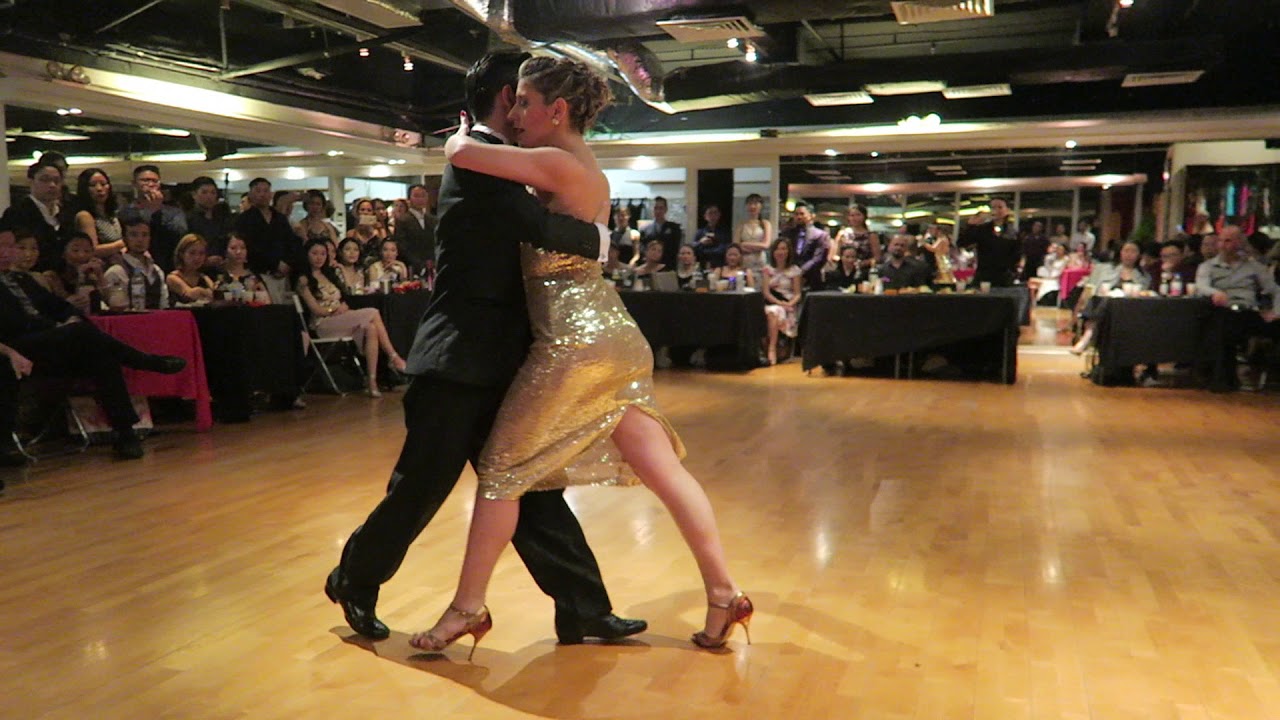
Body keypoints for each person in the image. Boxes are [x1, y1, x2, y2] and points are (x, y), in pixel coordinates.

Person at [409, 55, 749, 656]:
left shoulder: (556, 163)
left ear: (557, 110)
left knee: (501, 472)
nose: (515, 114)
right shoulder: (578, 166)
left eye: (524, 102)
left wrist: (461, 132)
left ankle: (467, 608)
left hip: (575, 345)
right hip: (610, 336)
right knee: (665, 472)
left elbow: (461, 156)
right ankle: (724, 594)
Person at [325, 51, 647, 647]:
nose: (524, 107)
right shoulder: (477, 158)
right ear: (506, 97)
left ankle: (584, 608)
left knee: (533, 486)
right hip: (457, 359)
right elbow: (540, 228)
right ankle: (355, 577)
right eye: (520, 96)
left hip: (502, 358)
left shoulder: (498, 156)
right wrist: (601, 240)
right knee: (422, 486)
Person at [0, 222, 186, 463]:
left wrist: (68, 318)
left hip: (51, 344)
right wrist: (59, 326)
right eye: (3, 246)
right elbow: (13, 323)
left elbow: (59, 306)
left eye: (10, 246)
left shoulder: (22, 280)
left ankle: (125, 433)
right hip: (15, 348)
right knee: (82, 333)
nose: (8, 252)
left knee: (100, 354)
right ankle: (144, 361)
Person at [294, 239, 405, 398]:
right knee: (373, 312)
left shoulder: (329, 274)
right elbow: (315, 309)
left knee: (371, 328)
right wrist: (333, 310)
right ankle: (393, 357)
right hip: (322, 323)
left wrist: (342, 306)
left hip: (340, 317)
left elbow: (345, 294)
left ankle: (372, 381)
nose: (319, 257)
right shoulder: (303, 280)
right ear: (306, 255)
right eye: (315, 253)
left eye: (323, 254)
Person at [1194, 224, 1280, 391]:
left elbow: (1275, 290)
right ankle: (1222, 380)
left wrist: (1277, 312)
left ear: (1239, 243)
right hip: (1222, 309)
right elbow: (1201, 286)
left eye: (1228, 241)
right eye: (1221, 241)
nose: (1222, 245)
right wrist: (1215, 293)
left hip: (1248, 311)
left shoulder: (1253, 266)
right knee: (1222, 322)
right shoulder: (1208, 266)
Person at [1, 157, 66, 271]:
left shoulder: (66, 212)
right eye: (45, 180)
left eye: (57, 181)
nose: (52, 185)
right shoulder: (17, 212)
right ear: (30, 181)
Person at [103, 215, 169, 309]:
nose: (140, 240)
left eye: (145, 235)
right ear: (124, 239)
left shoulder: (157, 271)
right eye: (134, 235)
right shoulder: (116, 272)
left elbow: (164, 305)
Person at [959, 197, 1021, 288]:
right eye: (993, 207)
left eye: (1000, 207)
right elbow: (962, 243)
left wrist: (1013, 271)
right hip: (984, 274)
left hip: (1004, 277)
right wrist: (970, 226)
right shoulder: (982, 229)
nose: (996, 210)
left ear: (1007, 210)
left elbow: (1017, 253)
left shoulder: (1012, 232)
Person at [761, 237, 803, 366]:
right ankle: (771, 348)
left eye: (784, 249)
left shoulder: (794, 270)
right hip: (772, 302)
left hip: (788, 303)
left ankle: (773, 348)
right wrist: (780, 304)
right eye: (778, 249)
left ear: (788, 251)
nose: (781, 252)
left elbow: (797, 294)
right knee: (773, 311)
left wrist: (789, 304)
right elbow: (766, 292)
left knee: (776, 312)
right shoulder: (767, 270)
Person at [71, 168, 125, 259]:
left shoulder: (112, 214)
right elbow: (92, 250)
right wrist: (123, 243)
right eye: (93, 185)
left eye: (103, 184)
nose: (99, 189)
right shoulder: (85, 216)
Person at [185, 176, 234, 269]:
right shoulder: (188, 219)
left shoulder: (222, 219)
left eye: (213, 193)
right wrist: (205, 260)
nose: (209, 196)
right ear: (194, 195)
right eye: (204, 192)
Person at [782, 202, 831, 290]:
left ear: (811, 215)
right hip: (788, 277)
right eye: (796, 214)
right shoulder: (787, 234)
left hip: (811, 278)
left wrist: (801, 271)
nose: (799, 217)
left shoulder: (821, 235)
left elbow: (818, 258)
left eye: (802, 214)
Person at [166, 234, 217, 304]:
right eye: (192, 253)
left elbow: (216, 295)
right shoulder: (172, 277)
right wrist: (204, 291)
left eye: (201, 253)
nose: (197, 258)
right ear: (181, 254)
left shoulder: (204, 278)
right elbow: (190, 294)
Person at [831, 204, 880, 272]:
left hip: (864, 270)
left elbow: (877, 257)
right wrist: (845, 261)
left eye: (858, 215)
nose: (855, 218)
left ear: (864, 216)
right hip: (844, 270)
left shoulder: (871, 235)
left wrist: (861, 264)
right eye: (852, 215)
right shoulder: (842, 233)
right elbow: (834, 255)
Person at [733, 194, 772, 269]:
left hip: (760, 261)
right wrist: (757, 247)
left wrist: (744, 244)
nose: (752, 206)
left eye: (755, 203)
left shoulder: (766, 224)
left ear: (761, 206)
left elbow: (766, 245)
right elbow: (736, 246)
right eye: (750, 203)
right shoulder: (741, 224)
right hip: (744, 261)